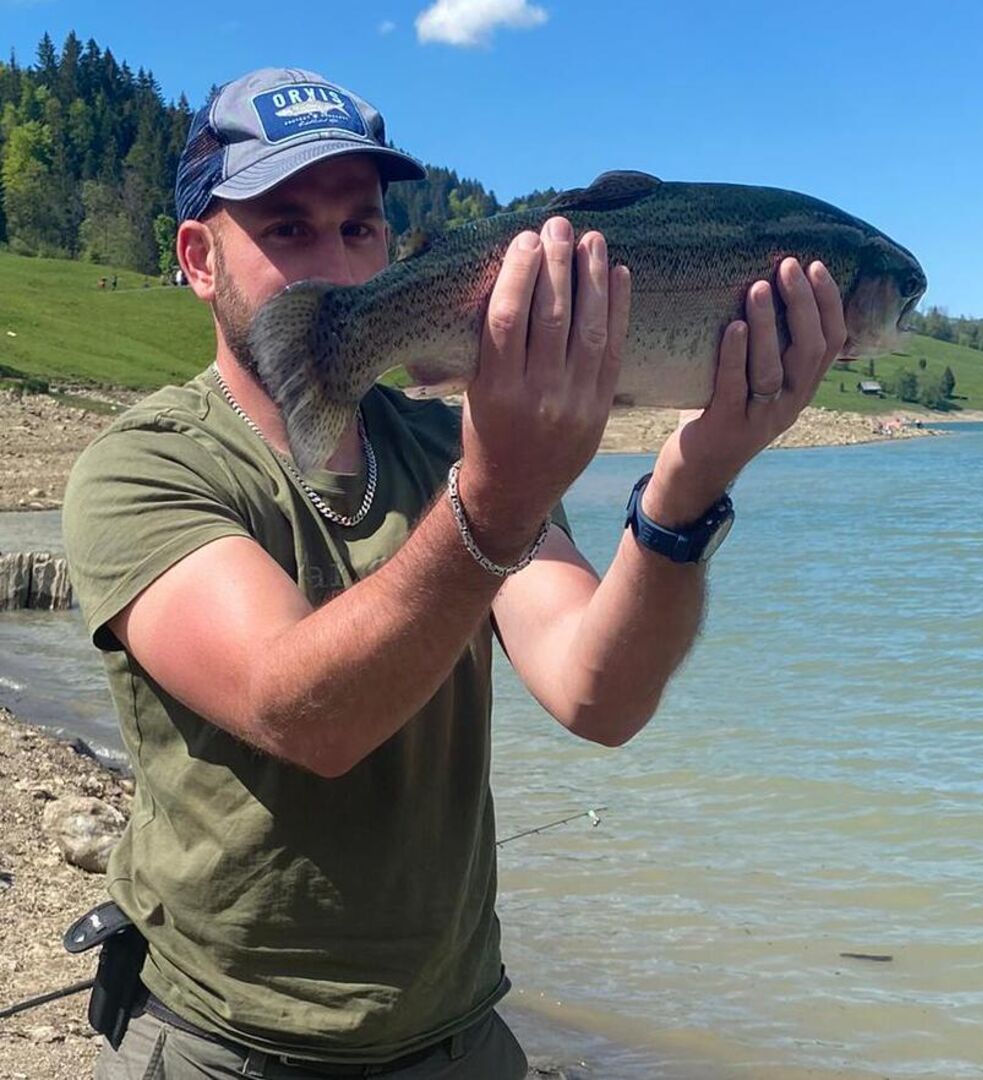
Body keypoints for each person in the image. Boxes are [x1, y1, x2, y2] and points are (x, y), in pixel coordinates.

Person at [62, 67, 846, 1079]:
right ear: (199, 259)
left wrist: (690, 484)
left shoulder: (448, 447)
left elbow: (597, 694)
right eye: (288, 229)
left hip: (461, 1036)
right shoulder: (145, 465)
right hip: (223, 1046)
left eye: (360, 227)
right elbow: (305, 716)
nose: (336, 265)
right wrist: (496, 500)